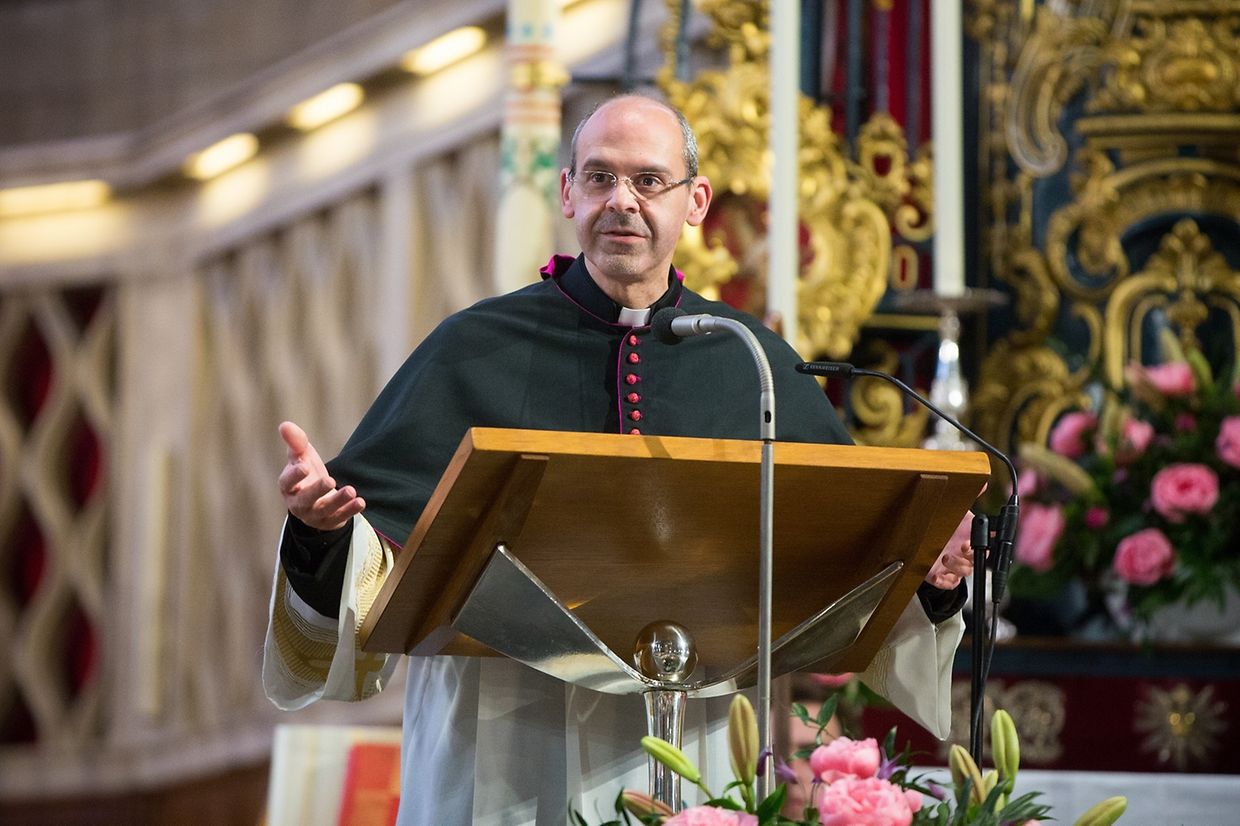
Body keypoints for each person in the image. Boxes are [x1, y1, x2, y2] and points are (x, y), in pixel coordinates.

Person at [263, 93, 977, 825]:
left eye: (648, 181)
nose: (622, 201)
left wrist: (932, 573)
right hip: (502, 745)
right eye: (600, 178)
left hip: (694, 745)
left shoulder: (749, 361)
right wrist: (323, 531)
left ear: (695, 202)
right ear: (568, 192)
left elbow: (847, 570)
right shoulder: (472, 348)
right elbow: (377, 556)